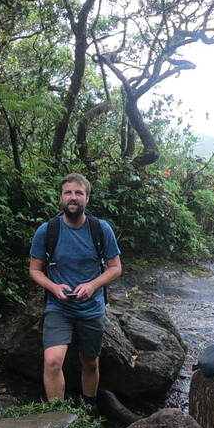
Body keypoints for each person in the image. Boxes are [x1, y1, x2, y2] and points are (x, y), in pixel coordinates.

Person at [29, 173, 122, 407]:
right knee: (52, 361)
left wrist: (92, 285)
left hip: (91, 308)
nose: (73, 197)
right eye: (68, 192)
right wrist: (53, 287)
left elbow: (115, 268)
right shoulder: (47, 231)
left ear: (87, 199)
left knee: (90, 362)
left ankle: (88, 409)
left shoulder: (100, 230)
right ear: (61, 197)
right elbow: (35, 270)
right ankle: (57, 416)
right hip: (58, 306)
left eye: (79, 193)